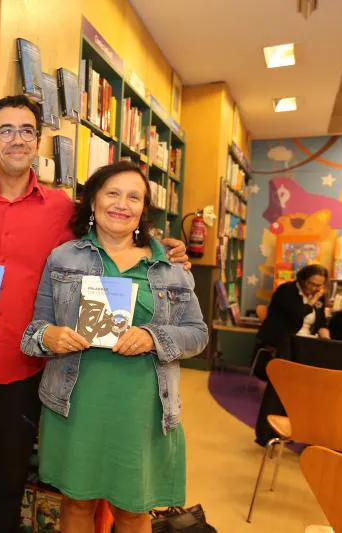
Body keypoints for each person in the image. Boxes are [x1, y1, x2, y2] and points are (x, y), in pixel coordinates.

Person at [0, 95, 191, 533]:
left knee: (8, 481)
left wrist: (165, 247)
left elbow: (116, 231)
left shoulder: (61, 209)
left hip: (25, 369)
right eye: (5, 130)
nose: (17, 139)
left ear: (37, 141)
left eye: (27, 131)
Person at [20, 161, 208, 533]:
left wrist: (154, 338)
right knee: (76, 502)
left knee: (133, 509)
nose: (122, 204)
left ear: (143, 209)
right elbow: (34, 330)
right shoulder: (63, 258)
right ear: (92, 201)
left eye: (134, 197)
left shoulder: (169, 266)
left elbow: (198, 334)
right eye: (112, 193)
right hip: (77, 403)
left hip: (143, 409)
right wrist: (49, 337)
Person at [255, 264, 330, 375]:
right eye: (312, 284)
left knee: (328, 353)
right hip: (283, 336)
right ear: (302, 280)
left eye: (319, 285)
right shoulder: (286, 290)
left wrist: (327, 339)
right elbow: (296, 315)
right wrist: (312, 301)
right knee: (304, 354)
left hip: (307, 338)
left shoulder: (319, 296)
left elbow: (321, 323)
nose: (315, 288)